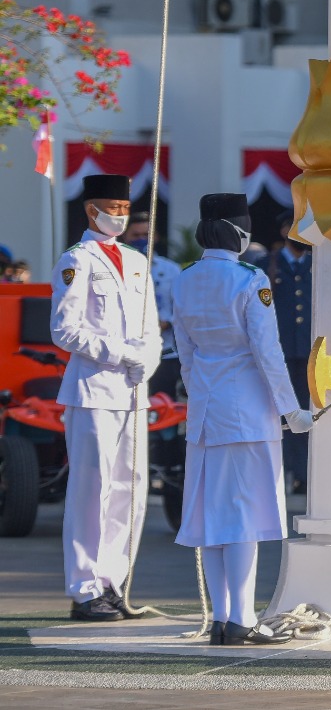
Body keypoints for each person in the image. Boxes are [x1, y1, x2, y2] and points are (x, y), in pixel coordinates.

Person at [171, 193, 314, 646]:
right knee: (244, 519)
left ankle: (221, 618)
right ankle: (242, 618)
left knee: (213, 520)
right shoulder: (250, 279)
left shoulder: (184, 279)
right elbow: (268, 353)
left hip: (205, 412)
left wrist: (201, 397)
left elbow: (186, 355)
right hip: (248, 412)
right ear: (238, 231)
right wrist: (291, 409)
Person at [50, 173, 162, 622]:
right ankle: (84, 589)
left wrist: (147, 360)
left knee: (130, 491)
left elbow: (152, 326)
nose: (120, 215)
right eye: (112, 208)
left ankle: (114, 583)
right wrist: (121, 354)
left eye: (124, 208)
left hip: (133, 391)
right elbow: (64, 331)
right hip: (94, 390)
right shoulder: (76, 260)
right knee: (90, 491)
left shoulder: (136, 261)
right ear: (91, 209)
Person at [254, 212, 313, 493]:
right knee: (282, 412)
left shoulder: (318, 263)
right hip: (279, 351)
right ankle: (288, 471)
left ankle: (305, 473)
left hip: (309, 350)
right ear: (284, 230)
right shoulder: (266, 265)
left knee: (307, 410)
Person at [124, 213, 183, 398]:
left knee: (163, 406)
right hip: (126, 353)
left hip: (164, 353)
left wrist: (165, 322)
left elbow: (182, 307)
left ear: (155, 237)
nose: (141, 240)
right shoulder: (116, 268)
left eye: (146, 235)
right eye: (135, 235)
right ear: (125, 236)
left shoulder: (171, 269)